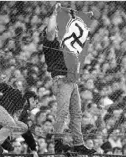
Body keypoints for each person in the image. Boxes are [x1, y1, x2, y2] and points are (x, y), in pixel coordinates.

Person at [42, 3, 96, 155]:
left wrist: (83, 21)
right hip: (61, 79)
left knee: (77, 113)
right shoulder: (50, 42)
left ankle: (78, 143)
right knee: (63, 112)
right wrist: (54, 14)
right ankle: (58, 141)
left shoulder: (67, 44)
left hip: (71, 80)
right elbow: (51, 30)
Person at [0, 75, 38, 157]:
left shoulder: (23, 113)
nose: (36, 106)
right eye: (35, 103)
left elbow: (27, 133)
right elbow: (5, 88)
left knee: (24, 127)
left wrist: (33, 149)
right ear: (31, 99)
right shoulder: (19, 95)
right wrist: (1, 82)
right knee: (11, 124)